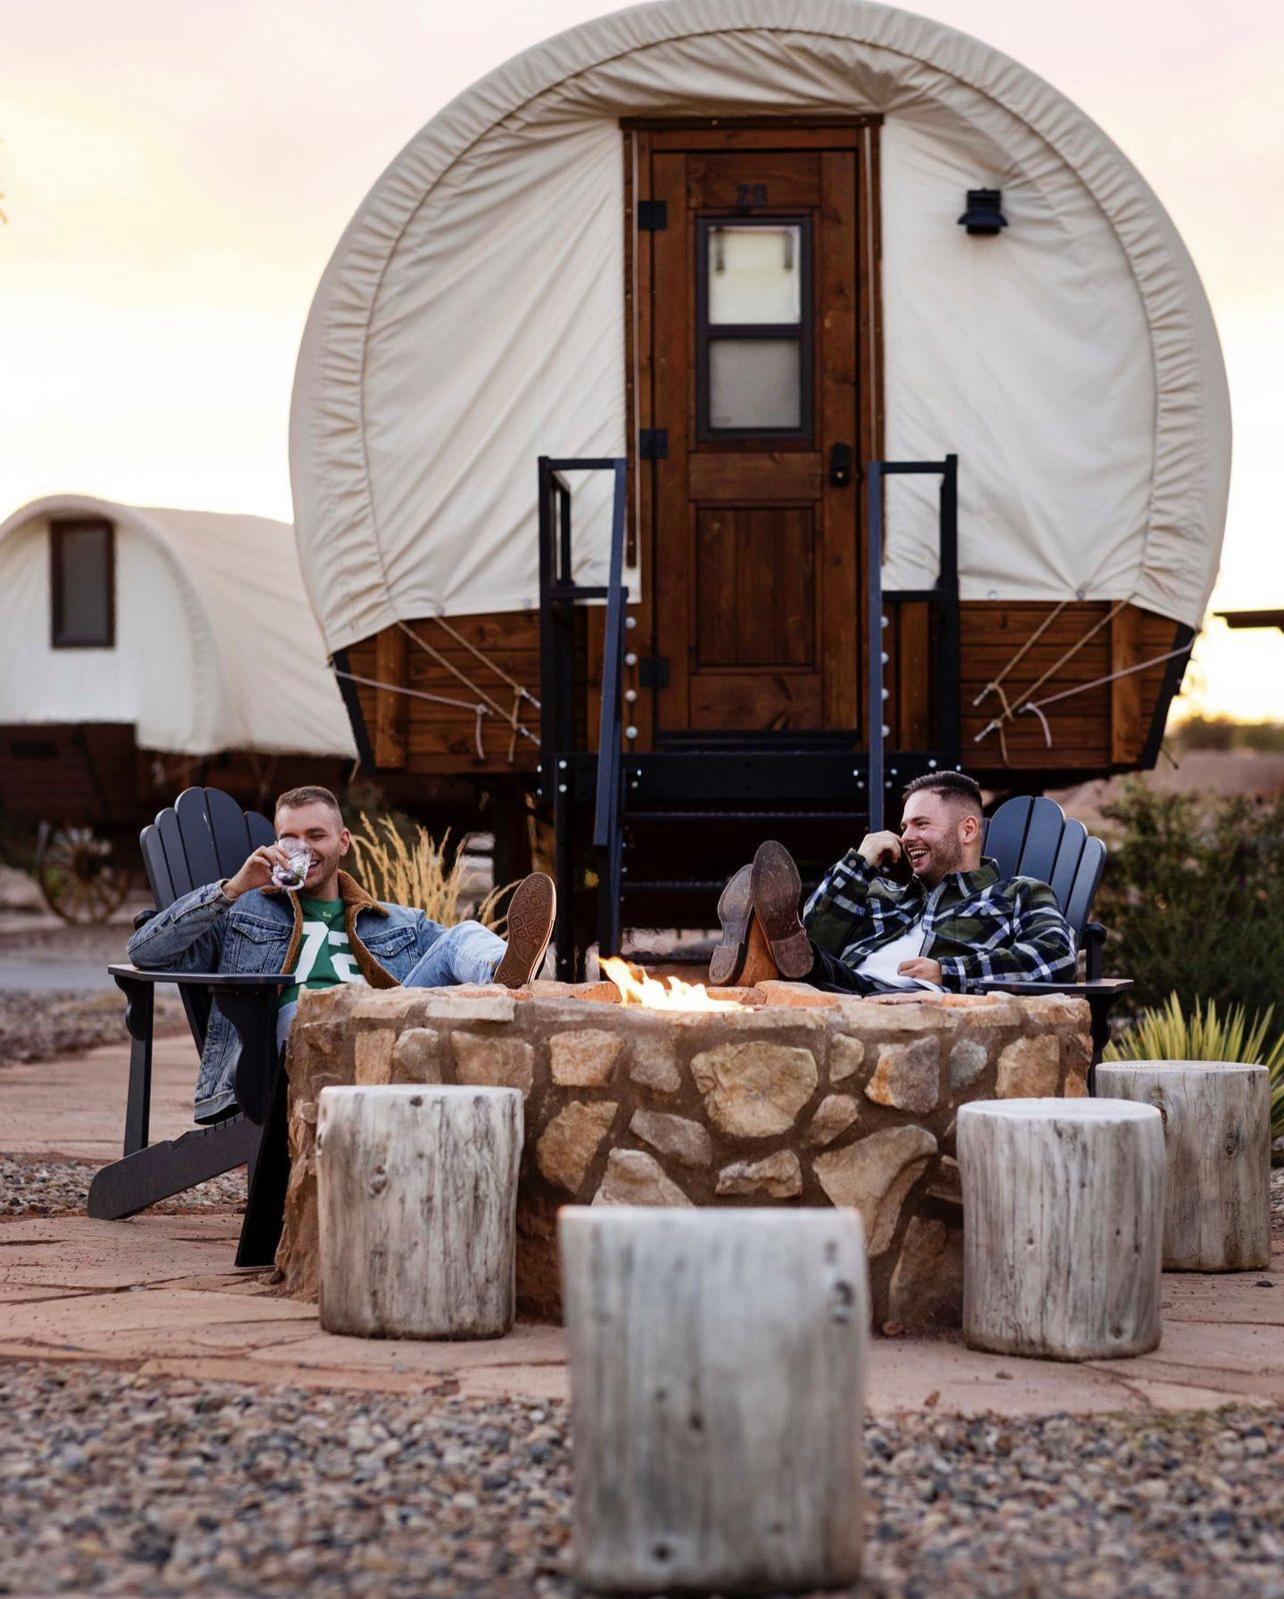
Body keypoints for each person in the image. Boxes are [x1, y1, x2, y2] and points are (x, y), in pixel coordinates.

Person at [127, 785, 555, 1123]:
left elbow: (446, 958)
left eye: (316, 835)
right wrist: (233, 888)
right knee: (306, 1011)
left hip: (387, 1025)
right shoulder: (243, 913)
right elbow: (146, 952)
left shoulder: (394, 921)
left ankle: (504, 970)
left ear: (343, 842)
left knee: (460, 934)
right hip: (291, 1045)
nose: (303, 848)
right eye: (289, 838)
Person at [709, 771, 1076, 995]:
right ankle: (765, 947)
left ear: (967, 830)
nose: (906, 836)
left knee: (806, 963)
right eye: (904, 827)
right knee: (802, 953)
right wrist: (859, 864)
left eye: (921, 824)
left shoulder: (1017, 894)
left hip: (911, 1000)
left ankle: (762, 951)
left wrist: (948, 972)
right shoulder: (888, 896)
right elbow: (815, 934)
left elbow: (1055, 958)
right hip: (842, 989)